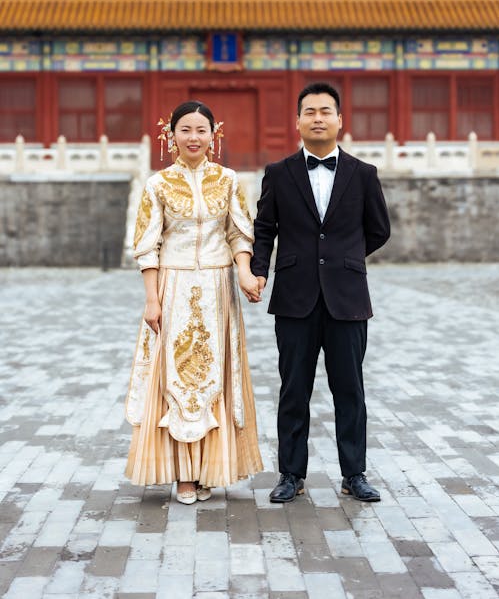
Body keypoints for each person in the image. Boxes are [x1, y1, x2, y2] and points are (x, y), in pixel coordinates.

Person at [251, 82, 390, 503]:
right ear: (297, 121)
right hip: (295, 297)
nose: (317, 118)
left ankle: (354, 473)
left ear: (339, 120)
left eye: (325, 111)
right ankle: (291, 474)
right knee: (294, 389)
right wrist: (259, 271)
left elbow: (379, 229)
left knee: (350, 389)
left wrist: (344, 259)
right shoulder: (278, 173)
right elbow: (264, 229)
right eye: (309, 111)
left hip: (347, 299)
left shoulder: (363, 175)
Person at [125, 101, 263, 503]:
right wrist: (152, 300)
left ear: (213, 135)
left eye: (201, 130)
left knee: (214, 372)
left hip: (219, 288)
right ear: (171, 135)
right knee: (179, 376)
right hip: (175, 287)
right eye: (185, 129)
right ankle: (183, 473)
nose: (193, 138)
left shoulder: (230, 180)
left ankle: (208, 471)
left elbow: (240, 234)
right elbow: (147, 246)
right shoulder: (158, 185)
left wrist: (242, 271)